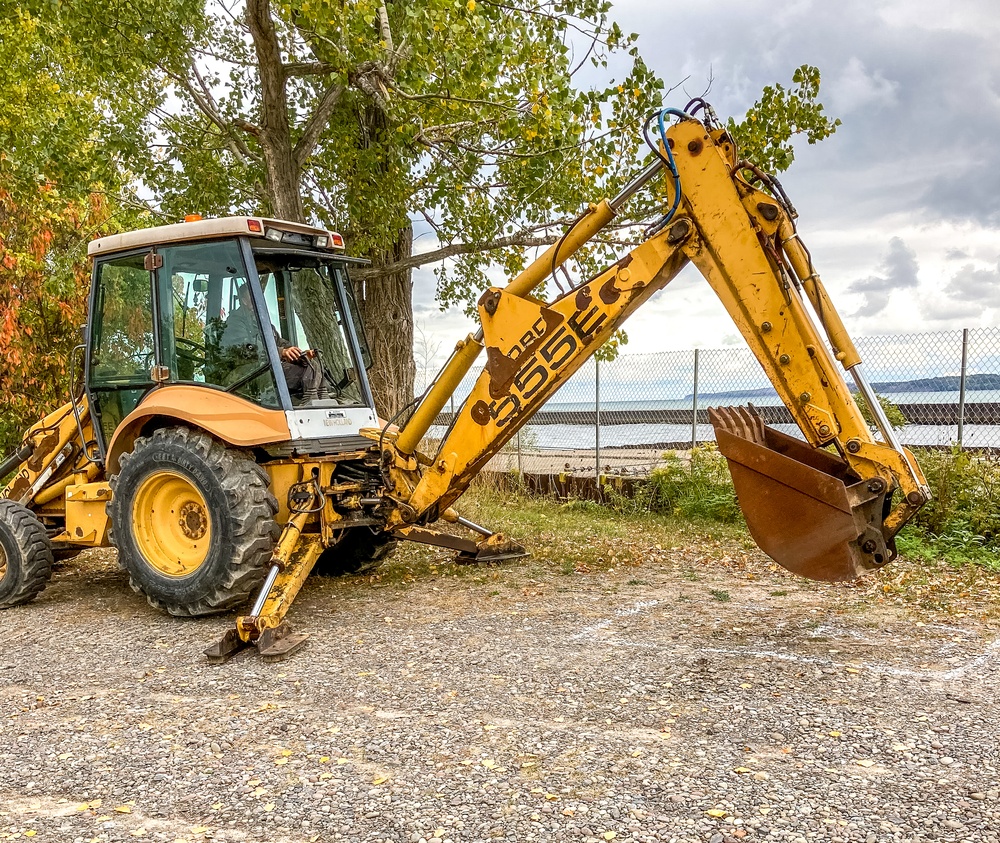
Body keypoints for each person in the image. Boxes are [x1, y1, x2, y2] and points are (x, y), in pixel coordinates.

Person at [221, 281, 324, 402]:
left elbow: (279, 342)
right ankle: (309, 400)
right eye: (252, 298)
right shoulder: (235, 322)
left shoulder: (262, 323)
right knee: (299, 374)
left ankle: (317, 400)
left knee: (313, 367)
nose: (258, 302)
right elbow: (247, 349)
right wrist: (281, 352)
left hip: (263, 367)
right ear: (244, 301)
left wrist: (298, 354)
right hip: (242, 374)